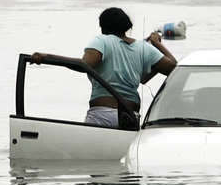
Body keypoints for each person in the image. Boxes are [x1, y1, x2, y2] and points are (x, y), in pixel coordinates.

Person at [32, 7, 177, 128]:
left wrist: (46, 57)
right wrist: (157, 44)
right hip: (130, 118)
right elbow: (173, 68)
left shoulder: (102, 41)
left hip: (102, 115)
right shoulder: (144, 48)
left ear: (104, 27)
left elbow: (85, 65)